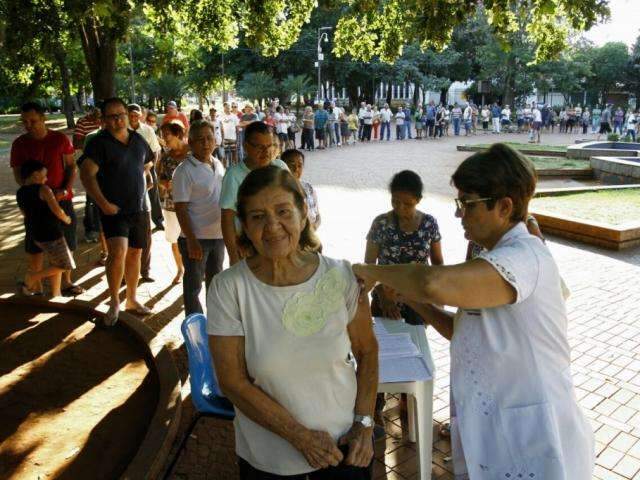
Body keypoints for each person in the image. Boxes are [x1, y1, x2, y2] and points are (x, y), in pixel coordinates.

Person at [352, 143, 594, 479]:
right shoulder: (494, 258)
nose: (458, 213)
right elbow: (463, 331)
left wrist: (371, 271)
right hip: (495, 427)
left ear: (504, 207)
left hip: (533, 433)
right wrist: (412, 300)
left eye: (467, 203)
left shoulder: (524, 257)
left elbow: (434, 281)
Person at [207, 165, 378, 479]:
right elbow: (232, 382)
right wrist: (299, 437)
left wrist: (364, 425)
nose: (273, 226)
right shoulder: (229, 288)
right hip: (270, 462)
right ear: (244, 225)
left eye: (283, 211)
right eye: (257, 216)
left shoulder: (340, 276)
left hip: (345, 449)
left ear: (303, 213)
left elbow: (367, 352)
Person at [79, 97, 154, 326]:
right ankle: (114, 302)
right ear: (103, 119)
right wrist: (102, 203)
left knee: (135, 254)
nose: (118, 119)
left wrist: (145, 178)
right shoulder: (98, 143)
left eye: (120, 114)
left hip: (139, 208)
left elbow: (149, 161)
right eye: (111, 116)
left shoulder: (138, 139)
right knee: (118, 252)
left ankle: (131, 299)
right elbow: (86, 174)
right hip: (114, 210)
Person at [10, 101, 83, 296]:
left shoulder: (59, 139)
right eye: (24, 121)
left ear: (43, 119)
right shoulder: (19, 144)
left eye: (33, 120)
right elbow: (18, 174)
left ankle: (65, 283)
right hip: (36, 204)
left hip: (61, 198)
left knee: (66, 241)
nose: (28, 125)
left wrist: (64, 190)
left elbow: (71, 166)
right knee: (35, 244)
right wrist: (34, 193)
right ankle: (36, 286)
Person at [172, 120, 226, 315]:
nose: (206, 143)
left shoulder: (218, 163)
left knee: (215, 284)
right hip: (196, 239)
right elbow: (180, 208)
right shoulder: (184, 171)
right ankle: (195, 331)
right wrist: (192, 241)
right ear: (191, 142)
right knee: (193, 287)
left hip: (219, 236)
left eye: (209, 138)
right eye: (200, 139)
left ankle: (215, 326)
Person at [220, 121, 290, 265]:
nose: (266, 152)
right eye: (259, 147)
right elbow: (227, 219)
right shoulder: (234, 175)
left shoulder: (280, 167)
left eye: (270, 146)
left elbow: (295, 203)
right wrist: (233, 254)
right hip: (249, 248)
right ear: (246, 146)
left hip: (280, 240)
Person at [16, 161, 75, 297]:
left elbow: (25, 213)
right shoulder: (44, 189)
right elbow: (57, 210)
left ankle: (56, 294)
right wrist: (66, 218)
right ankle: (32, 278)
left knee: (56, 262)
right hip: (51, 233)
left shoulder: (20, 192)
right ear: (35, 174)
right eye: (44, 174)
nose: (46, 178)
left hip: (35, 232)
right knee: (65, 264)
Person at [157, 121, 189, 285]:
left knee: (194, 237)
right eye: (162, 136)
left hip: (192, 205)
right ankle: (180, 269)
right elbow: (160, 178)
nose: (164, 139)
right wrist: (165, 183)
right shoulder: (166, 156)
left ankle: (194, 269)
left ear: (178, 134)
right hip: (171, 205)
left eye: (166, 135)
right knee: (175, 239)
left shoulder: (192, 154)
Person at [73, 107, 103, 243]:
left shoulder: (106, 123)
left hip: (105, 165)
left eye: (100, 115)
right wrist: (92, 138)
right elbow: (76, 142)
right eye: (95, 114)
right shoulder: (83, 122)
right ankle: (92, 230)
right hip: (88, 162)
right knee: (92, 197)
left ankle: (103, 229)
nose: (98, 118)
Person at [281, 149, 321, 230]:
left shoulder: (308, 187)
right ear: (283, 166)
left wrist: (314, 227)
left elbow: (318, 216)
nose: (296, 169)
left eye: (300, 165)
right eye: (292, 165)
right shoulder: (279, 192)